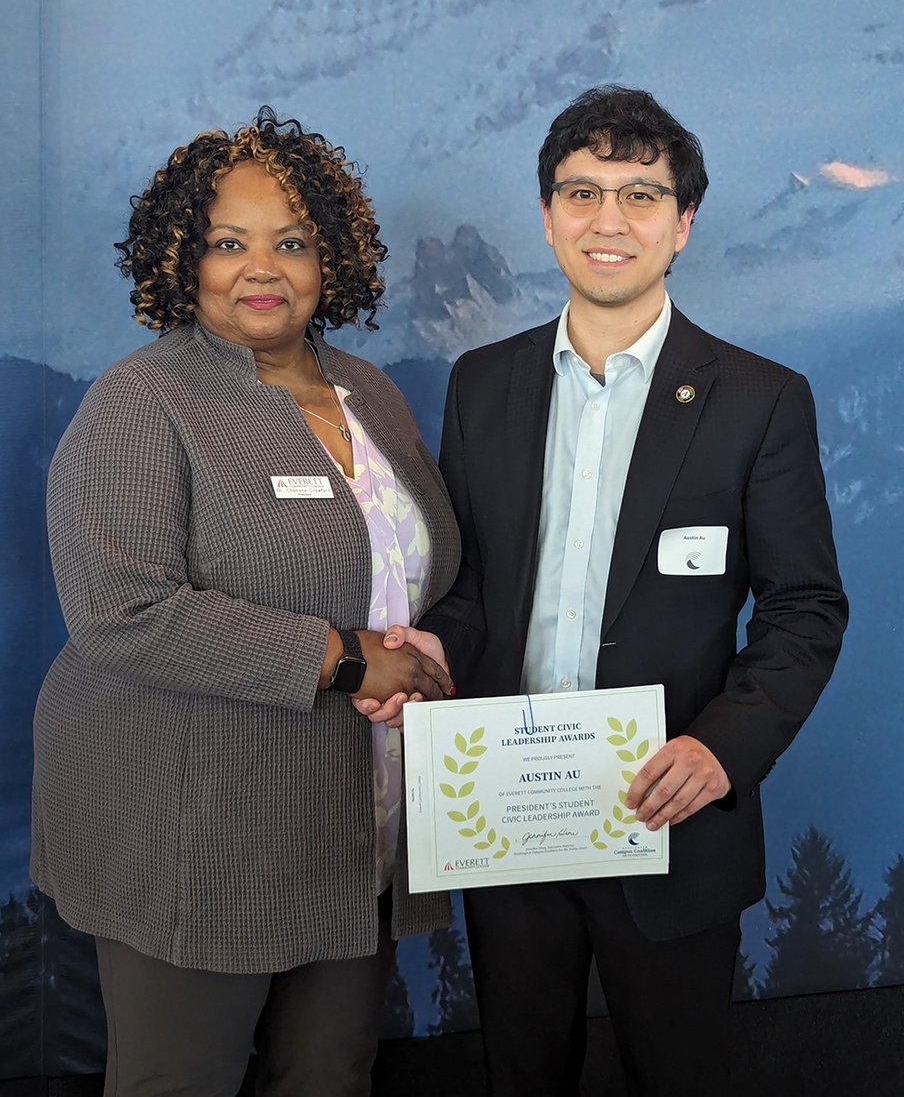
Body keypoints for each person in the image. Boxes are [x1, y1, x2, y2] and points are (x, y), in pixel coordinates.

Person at [386, 85, 847, 1095]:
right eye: (581, 192)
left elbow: (804, 606)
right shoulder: (482, 383)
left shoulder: (759, 399)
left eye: (640, 195)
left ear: (682, 223)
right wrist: (431, 650)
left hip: (668, 817)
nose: (608, 221)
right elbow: (469, 590)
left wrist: (723, 749)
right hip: (506, 816)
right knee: (521, 1075)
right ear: (546, 215)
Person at [31, 108, 460, 1097]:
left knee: (330, 1075)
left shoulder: (370, 394)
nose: (260, 268)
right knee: (181, 1080)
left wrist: (419, 655)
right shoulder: (143, 402)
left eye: (291, 241)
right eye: (229, 242)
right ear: (182, 258)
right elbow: (121, 608)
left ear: (330, 257)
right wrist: (348, 658)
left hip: (359, 823)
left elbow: (414, 567)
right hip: (197, 825)